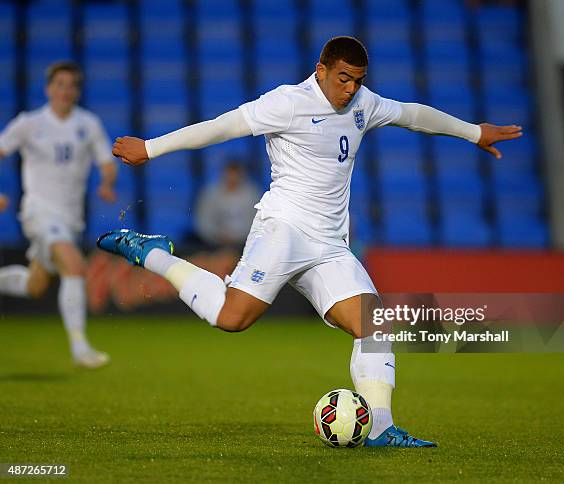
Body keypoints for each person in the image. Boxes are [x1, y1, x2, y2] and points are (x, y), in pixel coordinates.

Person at [99, 37, 522, 446]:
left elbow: (411, 113)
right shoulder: (287, 102)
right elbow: (221, 127)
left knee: (374, 324)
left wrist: (472, 132)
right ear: (321, 70)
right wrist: (150, 148)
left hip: (331, 245)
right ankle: (153, 253)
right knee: (232, 319)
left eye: (357, 79)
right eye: (342, 78)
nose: (350, 88)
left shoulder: (363, 103)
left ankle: (380, 428)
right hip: (283, 230)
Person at [0, 60, 117, 369]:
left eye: (72, 85)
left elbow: (107, 162)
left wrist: (107, 183)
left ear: (78, 91)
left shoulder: (88, 124)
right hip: (38, 212)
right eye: (60, 84)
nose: (66, 90)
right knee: (75, 266)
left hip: (70, 219)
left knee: (36, 285)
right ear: (48, 89)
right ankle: (80, 349)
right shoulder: (29, 123)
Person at [194, 160, 260, 251]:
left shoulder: (252, 195)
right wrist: (218, 236)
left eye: (236, 175)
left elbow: (256, 221)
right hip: (213, 245)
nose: (233, 179)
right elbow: (203, 221)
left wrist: (236, 237)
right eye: (230, 175)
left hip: (244, 245)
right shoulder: (211, 194)